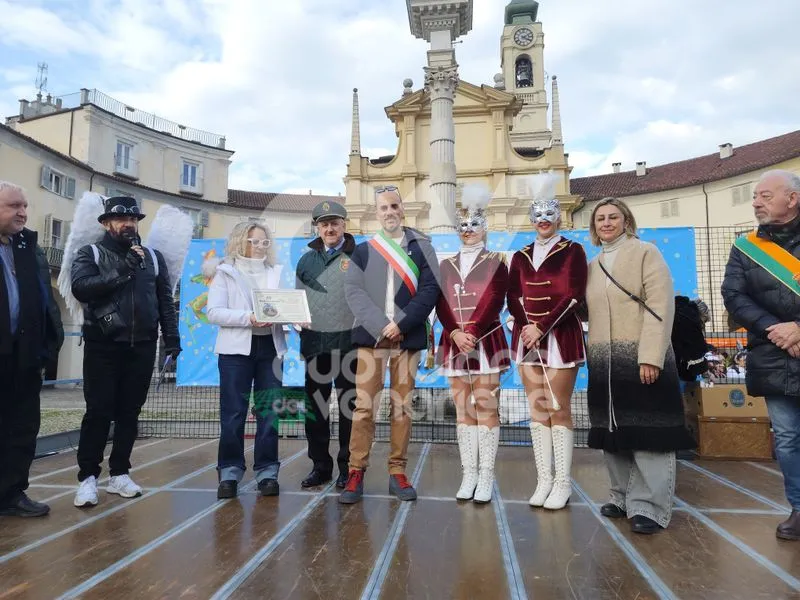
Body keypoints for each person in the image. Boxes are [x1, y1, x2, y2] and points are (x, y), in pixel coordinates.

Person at [585, 197, 693, 534]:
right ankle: (621, 496)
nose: (606, 223)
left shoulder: (646, 252)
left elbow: (660, 306)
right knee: (612, 430)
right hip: (604, 359)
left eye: (613, 217)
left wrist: (651, 355)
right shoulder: (592, 264)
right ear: (594, 227)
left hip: (640, 354)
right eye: (600, 218)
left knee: (649, 432)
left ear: (626, 221)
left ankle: (650, 506)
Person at [71, 196, 180, 508]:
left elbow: (164, 302)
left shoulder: (153, 258)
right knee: (98, 412)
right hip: (102, 345)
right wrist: (122, 268)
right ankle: (87, 478)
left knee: (129, 412)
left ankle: (119, 473)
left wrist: (172, 339)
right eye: (121, 220)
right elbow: (82, 288)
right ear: (107, 223)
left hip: (142, 345)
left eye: (134, 219)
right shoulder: (90, 252)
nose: (129, 224)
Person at [339, 185, 440, 504]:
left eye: (394, 206)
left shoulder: (423, 248)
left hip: (407, 338)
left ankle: (397, 471)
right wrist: (382, 325)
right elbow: (353, 291)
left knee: (402, 407)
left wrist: (401, 324)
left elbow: (429, 290)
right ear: (376, 212)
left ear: (402, 209)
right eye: (383, 208)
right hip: (372, 337)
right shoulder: (365, 250)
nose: (390, 212)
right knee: (363, 407)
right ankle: (356, 471)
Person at [722, 169, 800, 541]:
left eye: (765, 196)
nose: (755, 202)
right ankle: (799, 509)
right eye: (754, 196)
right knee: (786, 437)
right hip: (773, 352)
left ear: (793, 198)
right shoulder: (745, 246)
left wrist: (798, 328)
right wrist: (777, 329)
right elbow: (734, 298)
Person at [507, 177, 587, 511]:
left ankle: (563, 483)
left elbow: (573, 295)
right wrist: (527, 327)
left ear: (558, 217)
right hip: (527, 339)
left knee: (558, 407)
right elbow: (513, 295)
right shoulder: (521, 255)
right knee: (537, 408)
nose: (543, 219)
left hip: (560, 337)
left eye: (549, 213)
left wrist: (542, 326)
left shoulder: (573, 250)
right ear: (531, 218)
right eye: (537, 214)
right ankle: (543, 480)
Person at [435, 186, 509, 503]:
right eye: (463, 226)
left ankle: (486, 477)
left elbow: (494, 299)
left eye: (474, 225)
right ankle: (469, 474)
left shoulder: (497, 261)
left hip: (487, 341)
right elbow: (440, 302)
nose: (468, 231)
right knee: (463, 411)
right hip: (453, 343)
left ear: (485, 229)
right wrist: (453, 332)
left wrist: (474, 330)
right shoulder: (446, 264)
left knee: (486, 408)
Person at [205, 221, 288, 499]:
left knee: (270, 413)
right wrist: (248, 318)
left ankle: (267, 472)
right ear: (241, 242)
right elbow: (213, 312)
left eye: (265, 242)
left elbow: (285, 308)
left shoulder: (276, 272)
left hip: (270, 348)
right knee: (233, 413)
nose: (260, 247)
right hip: (235, 351)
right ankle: (229, 472)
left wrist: (295, 319)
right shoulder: (225, 272)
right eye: (254, 241)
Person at [0, 181, 64, 517]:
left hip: (23, 354)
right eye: (14, 206)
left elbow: (43, 298)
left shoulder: (27, 245)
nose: (23, 212)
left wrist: (50, 345)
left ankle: (12, 493)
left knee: (22, 426)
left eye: (24, 206)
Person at [295, 200, 357, 489]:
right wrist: (297, 319)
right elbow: (299, 299)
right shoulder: (306, 260)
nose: (329, 228)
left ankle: (348, 467)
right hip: (315, 346)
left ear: (344, 224)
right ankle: (320, 466)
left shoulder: (360, 255)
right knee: (316, 409)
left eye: (334, 223)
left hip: (350, 345)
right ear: (317, 228)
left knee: (349, 410)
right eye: (324, 224)